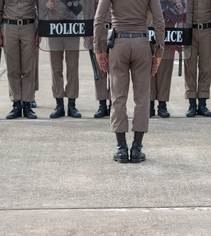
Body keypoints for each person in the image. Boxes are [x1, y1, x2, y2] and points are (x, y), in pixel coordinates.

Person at [94, 0, 165, 163]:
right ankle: (136, 149)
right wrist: (159, 52)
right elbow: (159, 21)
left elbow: (99, 19)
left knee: (118, 97)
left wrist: (99, 49)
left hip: (119, 42)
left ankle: (121, 149)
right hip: (141, 42)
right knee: (142, 98)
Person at [0, 0, 38, 119]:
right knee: (12, 68)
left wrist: (39, 31)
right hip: (9, 27)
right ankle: (16, 105)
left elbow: (40, 7)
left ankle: (27, 104)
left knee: (28, 68)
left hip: (28, 27)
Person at [40, 0, 82, 119]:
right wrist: (47, 6)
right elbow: (40, 5)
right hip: (54, 27)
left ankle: (72, 104)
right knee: (56, 68)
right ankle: (59, 104)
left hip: (72, 27)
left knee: (73, 68)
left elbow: (84, 5)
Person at [150, 0, 185, 118]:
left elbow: (181, 8)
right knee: (147, 68)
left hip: (168, 29)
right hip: (147, 28)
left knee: (165, 69)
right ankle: (149, 104)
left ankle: (162, 104)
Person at [184, 0, 211, 117]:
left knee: (205, 68)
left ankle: (203, 103)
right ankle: (192, 103)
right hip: (189, 31)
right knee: (190, 68)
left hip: (207, 31)